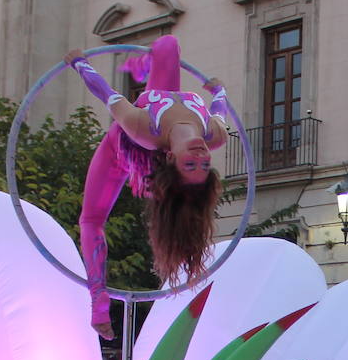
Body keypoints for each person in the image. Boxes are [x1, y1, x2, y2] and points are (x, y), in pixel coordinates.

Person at [66, 37, 227, 339]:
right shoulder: (214, 134)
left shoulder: (144, 128)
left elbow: (108, 95)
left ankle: (98, 299)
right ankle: (142, 67)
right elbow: (220, 107)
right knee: (168, 45)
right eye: (204, 165)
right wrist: (218, 89)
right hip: (161, 97)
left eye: (189, 165)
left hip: (121, 148)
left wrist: (80, 63)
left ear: (170, 157)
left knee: (91, 219)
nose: (201, 157)